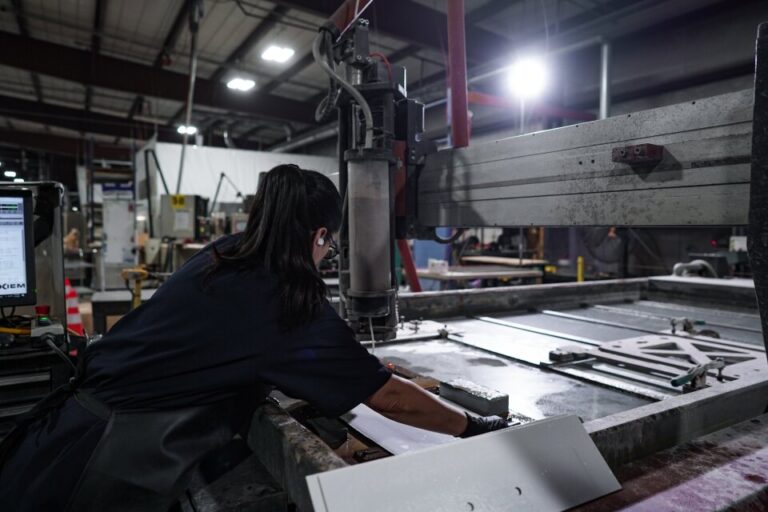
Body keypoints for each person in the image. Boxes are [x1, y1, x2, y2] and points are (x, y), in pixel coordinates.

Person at [0, 164, 506, 511]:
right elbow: (391, 400)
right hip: (102, 460)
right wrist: (475, 427)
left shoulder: (227, 253)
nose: (328, 258)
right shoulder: (288, 298)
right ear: (320, 237)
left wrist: (342, 370)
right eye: (330, 248)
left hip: (63, 427)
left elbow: (231, 348)